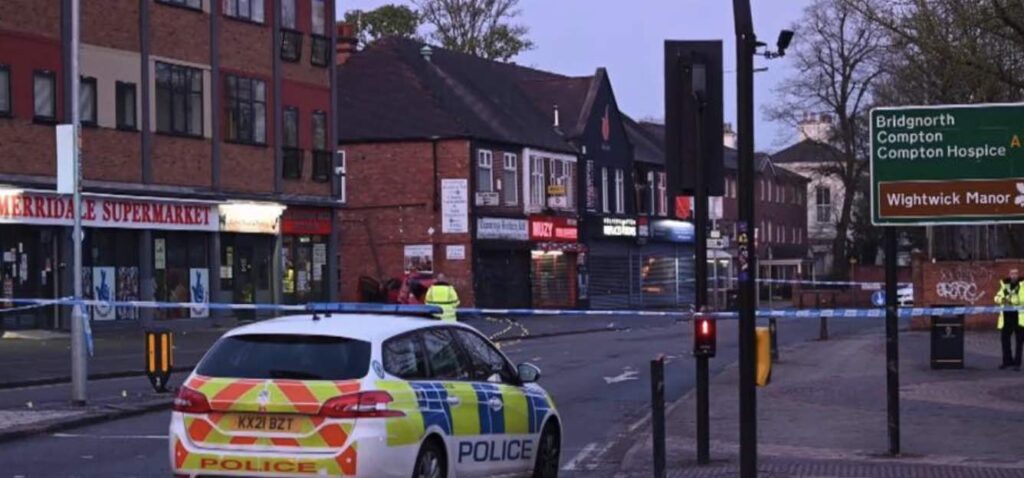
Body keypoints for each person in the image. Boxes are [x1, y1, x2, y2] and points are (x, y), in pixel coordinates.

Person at [994, 268, 1024, 370]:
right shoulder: (1004, 285)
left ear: (1018, 275)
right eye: (1012, 273)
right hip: (1006, 317)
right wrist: (1002, 299)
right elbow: (997, 297)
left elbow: (1022, 299)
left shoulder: (1022, 285)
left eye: (1016, 273)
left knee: (1019, 342)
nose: (1014, 275)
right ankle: (1007, 361)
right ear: (1009, 274)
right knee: (1005, 340)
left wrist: (1011, 300)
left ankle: (1017, 364)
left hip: (1019, 317)